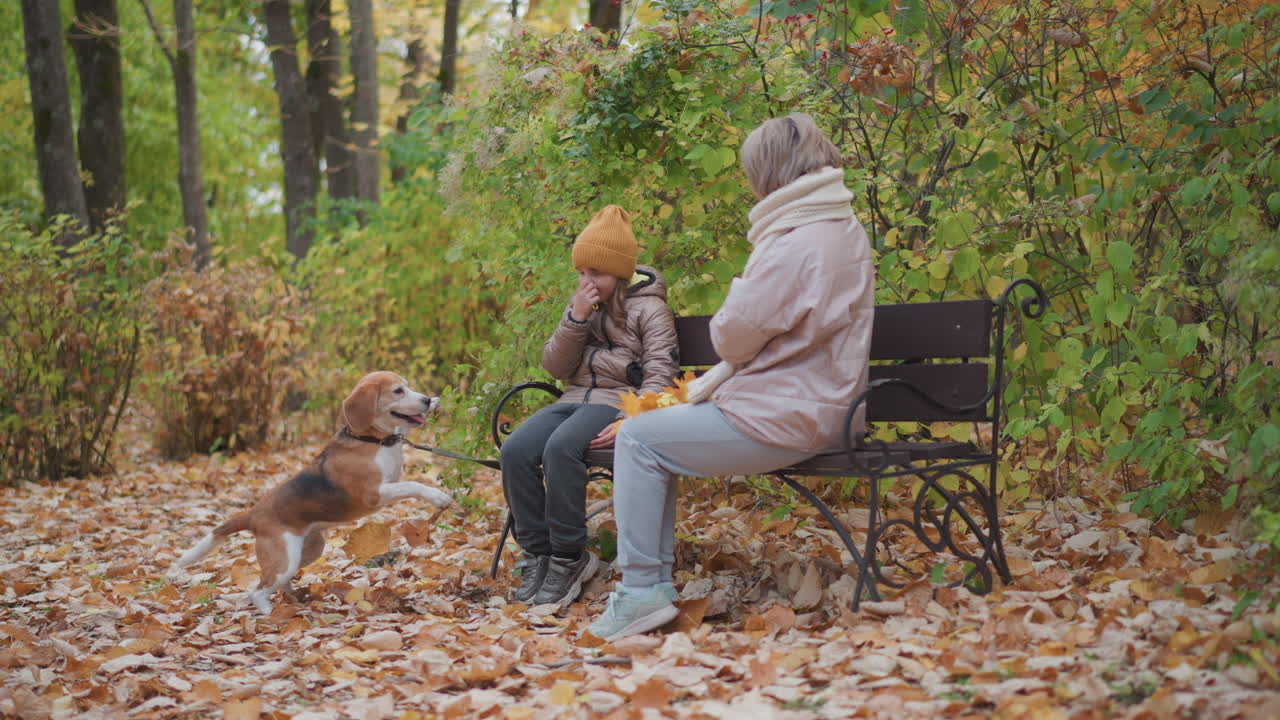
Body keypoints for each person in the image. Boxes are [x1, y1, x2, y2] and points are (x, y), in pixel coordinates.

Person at [586, 114, 876, 641]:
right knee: (654, 432)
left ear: (769, 172)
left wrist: (742, 287)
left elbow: (731, 338)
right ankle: (649, 589)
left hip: (790, 414)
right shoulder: (842, 227)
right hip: (825, 404)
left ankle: (641, 592)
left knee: (638, 439)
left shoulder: (795, 241)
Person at [500, 205, 679, 607]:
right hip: (571, 398)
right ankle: (537, 554)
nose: (586, 282)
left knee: (562, 448)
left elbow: (661, 372)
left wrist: (635, 417)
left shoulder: (651, 310)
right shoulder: (583, 305)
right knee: (516, 449)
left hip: (615, 404)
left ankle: (568, 556)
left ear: (619, 272)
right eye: (581, 274)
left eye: (595, 274)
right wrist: (576, 319)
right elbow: (555, 366)